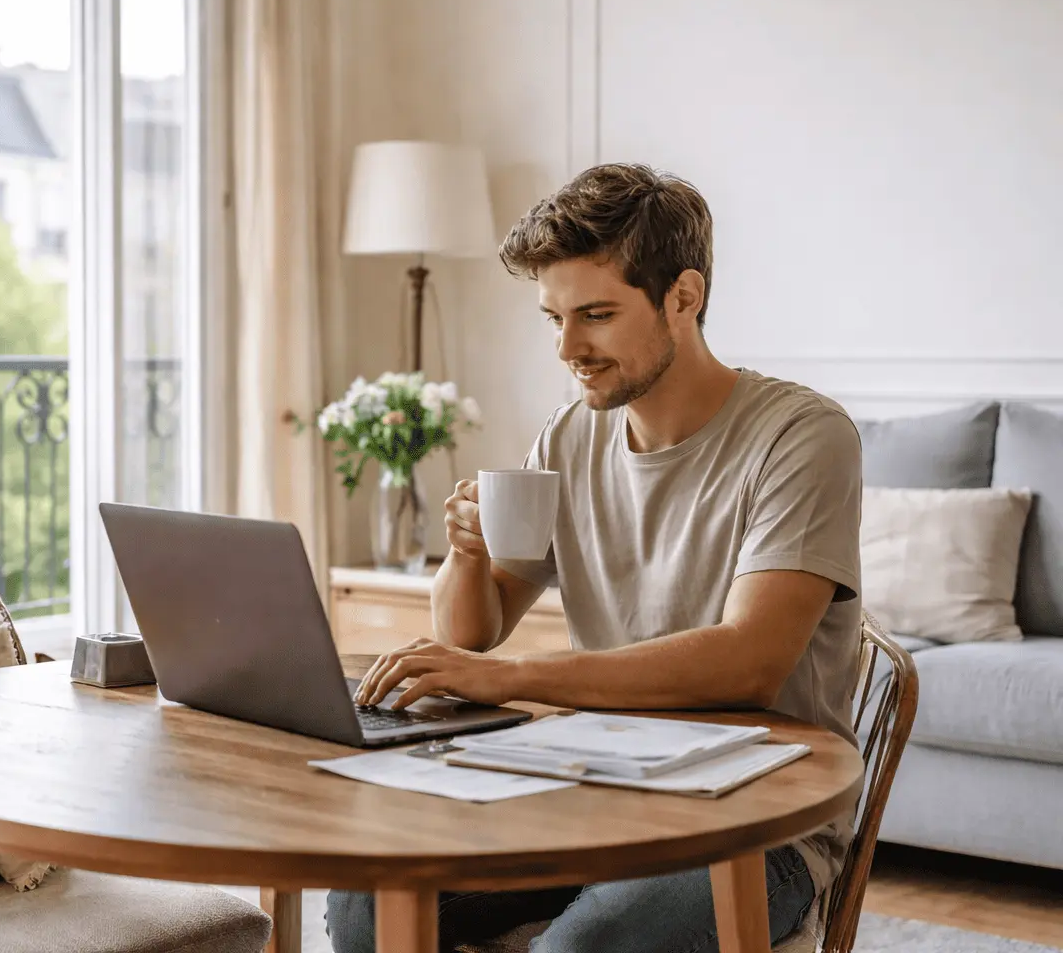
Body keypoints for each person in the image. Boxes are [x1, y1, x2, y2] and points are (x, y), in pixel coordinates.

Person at [330, 163, 863, 953]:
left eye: (597, 315)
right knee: (366, 898)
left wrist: (513, 679)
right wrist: (467, 554)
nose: (568, 347)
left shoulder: (801, 436)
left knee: (583, 948)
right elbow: (472, 633)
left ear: (683, 297)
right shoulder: (570, 435)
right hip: (590, 783)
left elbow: (750, 661)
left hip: (755, 818)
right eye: (553, 318)